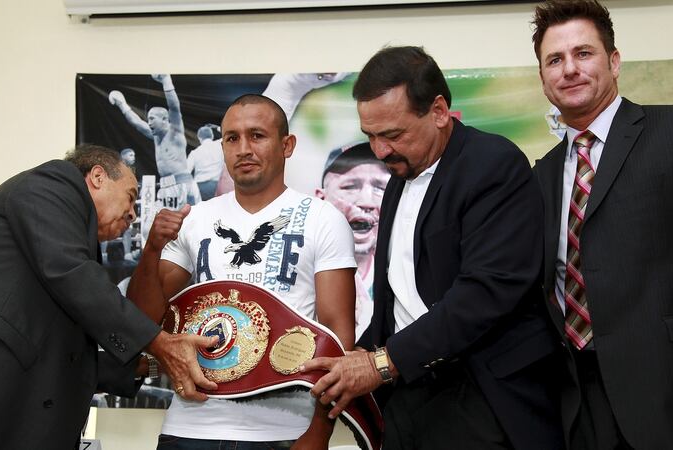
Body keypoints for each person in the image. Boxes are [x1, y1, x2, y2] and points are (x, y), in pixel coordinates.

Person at [301, 46, 563, 450]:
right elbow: (398, 302)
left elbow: (483, 294)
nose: (380, 151)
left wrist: (379, 363)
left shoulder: (493, 164)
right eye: (370, 136)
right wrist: (350, 358)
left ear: (439, 111)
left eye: (392, 134)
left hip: (481, 397)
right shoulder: (397, 179)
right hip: (408, 397)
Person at [530, 1, 673, 449]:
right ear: (543, 79)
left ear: (614, 60)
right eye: (554, 60)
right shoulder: (542, 173)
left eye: (583, 53)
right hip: (577, 404)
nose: (569, 69)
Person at [0, 145, 218, 450]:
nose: (133, 213)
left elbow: (72, 358)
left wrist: (157, 364)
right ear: (98, 176)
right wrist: (162, 343)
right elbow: (70, 271)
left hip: (3, 415)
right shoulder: (53, 183)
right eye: (131, 196)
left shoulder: (74, 253)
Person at [127, 94, 357, 450]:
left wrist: (319, 432)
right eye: (232, 138)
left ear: (287, 145)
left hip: (282, 430)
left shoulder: (322, 218)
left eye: (257, 135)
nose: (243, 148)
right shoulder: (195, 218)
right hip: (190, 426)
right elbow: (143, 317)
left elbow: (338, 337)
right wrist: (152, 249)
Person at [315, 142, 390, 343]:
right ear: (321, 199)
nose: (366, 201)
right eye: (350, 186)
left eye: (380, 187)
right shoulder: (297, 272)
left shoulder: (404, 276)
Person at [109, 74, 201, 210]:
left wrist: (166, 81)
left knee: (188, 226)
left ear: (164, 119)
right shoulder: (156, 136)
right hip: (166, 187)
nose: (149, 122)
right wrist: (122, 104)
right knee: (162, 227)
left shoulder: (175, 132)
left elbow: (174, 107)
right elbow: (137, 123)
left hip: (182, 184)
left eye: (152, 119)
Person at [186, 124, 223, 201]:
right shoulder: (220, 145)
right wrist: (217, 128)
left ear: (199, 138)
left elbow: (186, 172)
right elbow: (228, 133)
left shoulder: (194, 152)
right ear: (212, 136)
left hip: (200, 187)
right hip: (218, 186)